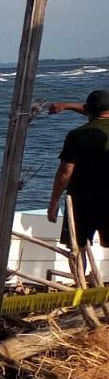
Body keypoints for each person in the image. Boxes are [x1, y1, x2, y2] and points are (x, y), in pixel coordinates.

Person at [46, 88, 109, 255]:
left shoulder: (76, 135)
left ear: (88, 109)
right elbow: (97, 113)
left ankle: (81, 280)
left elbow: (66, 171)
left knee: (77, 248)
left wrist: (53, 201)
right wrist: (67, 106)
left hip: (81, 200)